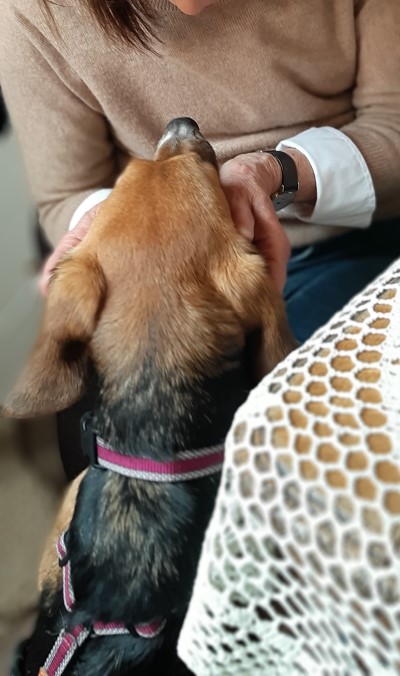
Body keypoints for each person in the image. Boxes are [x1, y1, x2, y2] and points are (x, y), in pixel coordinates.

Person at [1, 0, 399, 478]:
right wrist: (117, 228)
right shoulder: (33, 13)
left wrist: (280, 172)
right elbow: (65, 193)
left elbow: (393, 121)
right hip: (173, 284)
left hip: (359, 235)